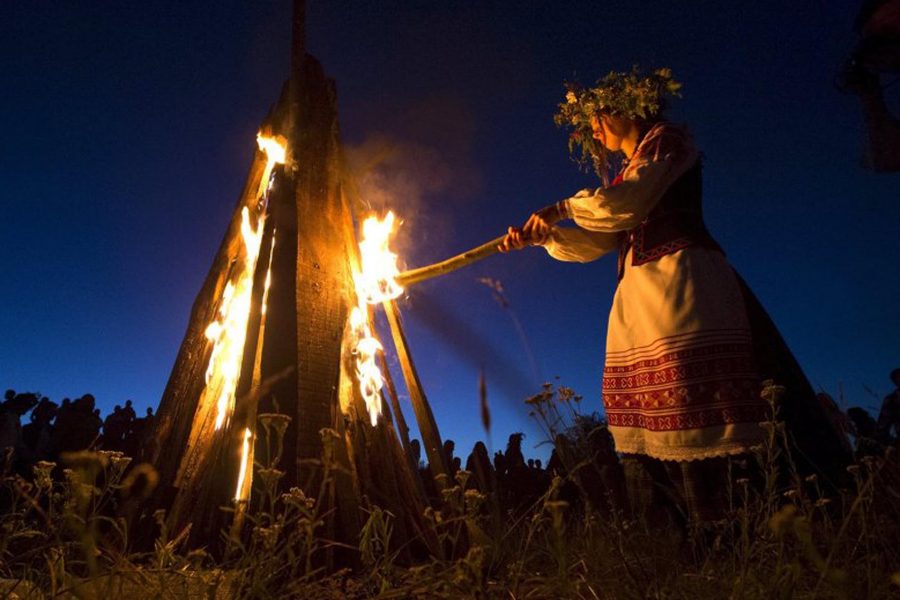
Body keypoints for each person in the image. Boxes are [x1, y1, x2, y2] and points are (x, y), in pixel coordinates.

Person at [500, 67, 850, 523]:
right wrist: (545, 237)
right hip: (640, 298)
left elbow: (625, 202)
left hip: (684, 288)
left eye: (595, 116)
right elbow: (602, 236)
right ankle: (682, 534)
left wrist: (563, 207)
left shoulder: (667, 142)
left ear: (624, 108)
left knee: (696, 401)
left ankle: (744, 522)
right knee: (653, 415)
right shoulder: (628, 171)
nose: (591, 128)